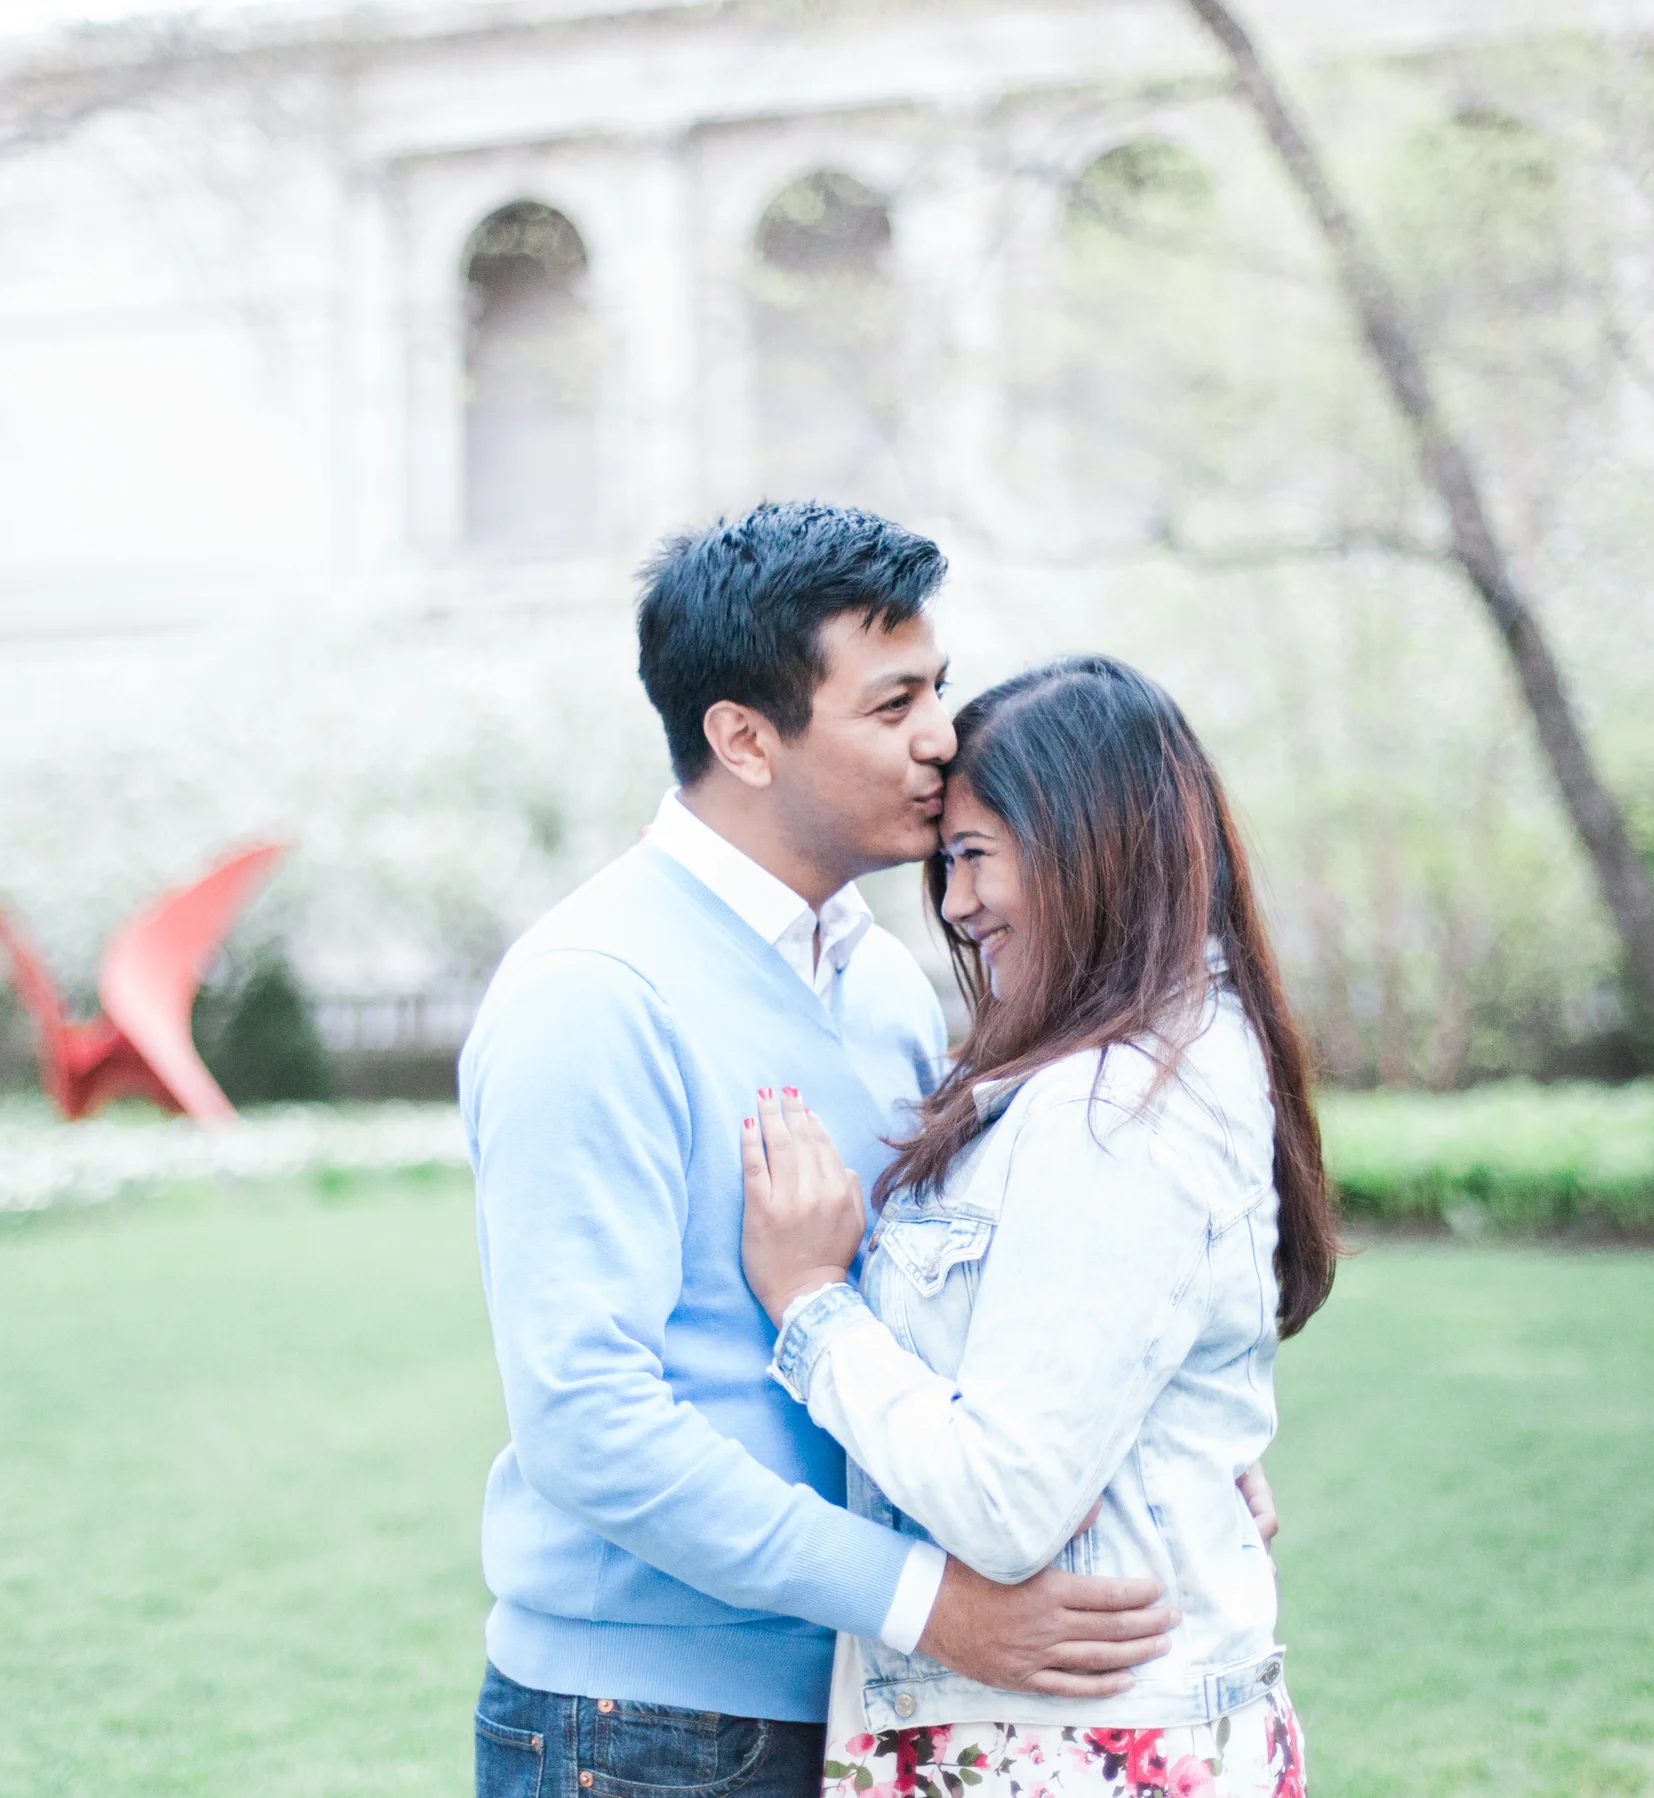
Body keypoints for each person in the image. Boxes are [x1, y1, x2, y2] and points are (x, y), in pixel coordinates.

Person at [459, 507, 1195, 1798]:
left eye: (939, 690)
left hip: (872, 1694)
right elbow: (586, 1421)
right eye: (893, 703)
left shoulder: (884, 982)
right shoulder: (592, 992)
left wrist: (1162, 1461)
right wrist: (926, 1601)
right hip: (642, 1723)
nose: (942, 738)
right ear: (745, 738)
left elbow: (959, 1302)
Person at [739, 655, 1339, 1798]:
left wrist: (811, 1306)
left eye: (973, 855)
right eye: (947, 862)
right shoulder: (1151, 1055)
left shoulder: (1114, 1103)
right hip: (1088, 1736)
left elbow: (1004, 1500)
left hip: (1065, 1749)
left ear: (1085, 843)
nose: (955, 903)